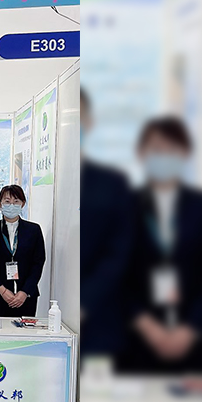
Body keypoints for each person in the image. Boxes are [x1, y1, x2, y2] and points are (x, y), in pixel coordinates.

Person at [117, 117, 202, 375]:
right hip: (136, 338)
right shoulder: (125, 206)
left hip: (192, 339)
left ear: (185, 153)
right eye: (157, 149)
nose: (164, 156)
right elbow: (116, 272)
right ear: (142, 153)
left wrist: (190, 328)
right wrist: (147, 326)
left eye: (172, 149)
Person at [80, 88, 136, 358]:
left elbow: (120, 251)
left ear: (90, 122)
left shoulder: (112, 184)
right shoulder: (51, 180)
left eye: (80, 117)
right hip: (53, 316)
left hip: (100, 316)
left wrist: (85, 301)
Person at [0, 185, 45, 318]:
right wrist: (1, 289)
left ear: (23, 204)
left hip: (26, 297)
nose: (11, 205)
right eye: (7, 201)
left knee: (24, 330)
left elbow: (38, 263)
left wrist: (24, 292)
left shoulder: (33, 230)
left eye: (16, 201)